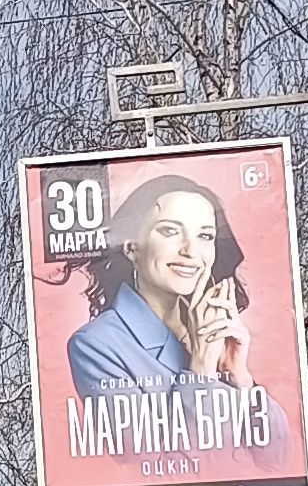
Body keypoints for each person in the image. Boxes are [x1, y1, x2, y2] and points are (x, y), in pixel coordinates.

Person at [65, 174, 249, 406]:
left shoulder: (217, 329)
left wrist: (239, 377)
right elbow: (137, 432)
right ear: (131, 248)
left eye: (205, 236)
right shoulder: (95, 344)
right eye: (170, 231)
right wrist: (201, 370)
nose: (191, 251)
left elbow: (276, 432)